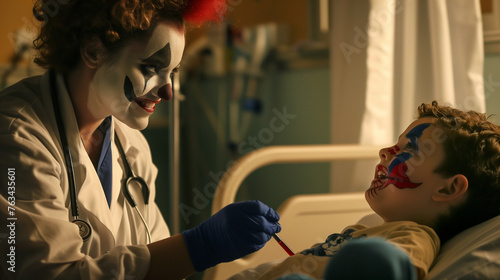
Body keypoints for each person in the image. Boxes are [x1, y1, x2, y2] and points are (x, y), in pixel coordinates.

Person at [0, 0, 281, 279]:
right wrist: (200, 246)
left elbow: (154, 263)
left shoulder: (131, 145)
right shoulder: (16, 136)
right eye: (151, 68)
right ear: (93, 51)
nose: (168, 91)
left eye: (173, 72)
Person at [230, 101, 500, 280]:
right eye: (397, 143)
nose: (385, 151)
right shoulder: (366, 230)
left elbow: (387, 269)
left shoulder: (414, 237)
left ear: (449, 187)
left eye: (409, 149)